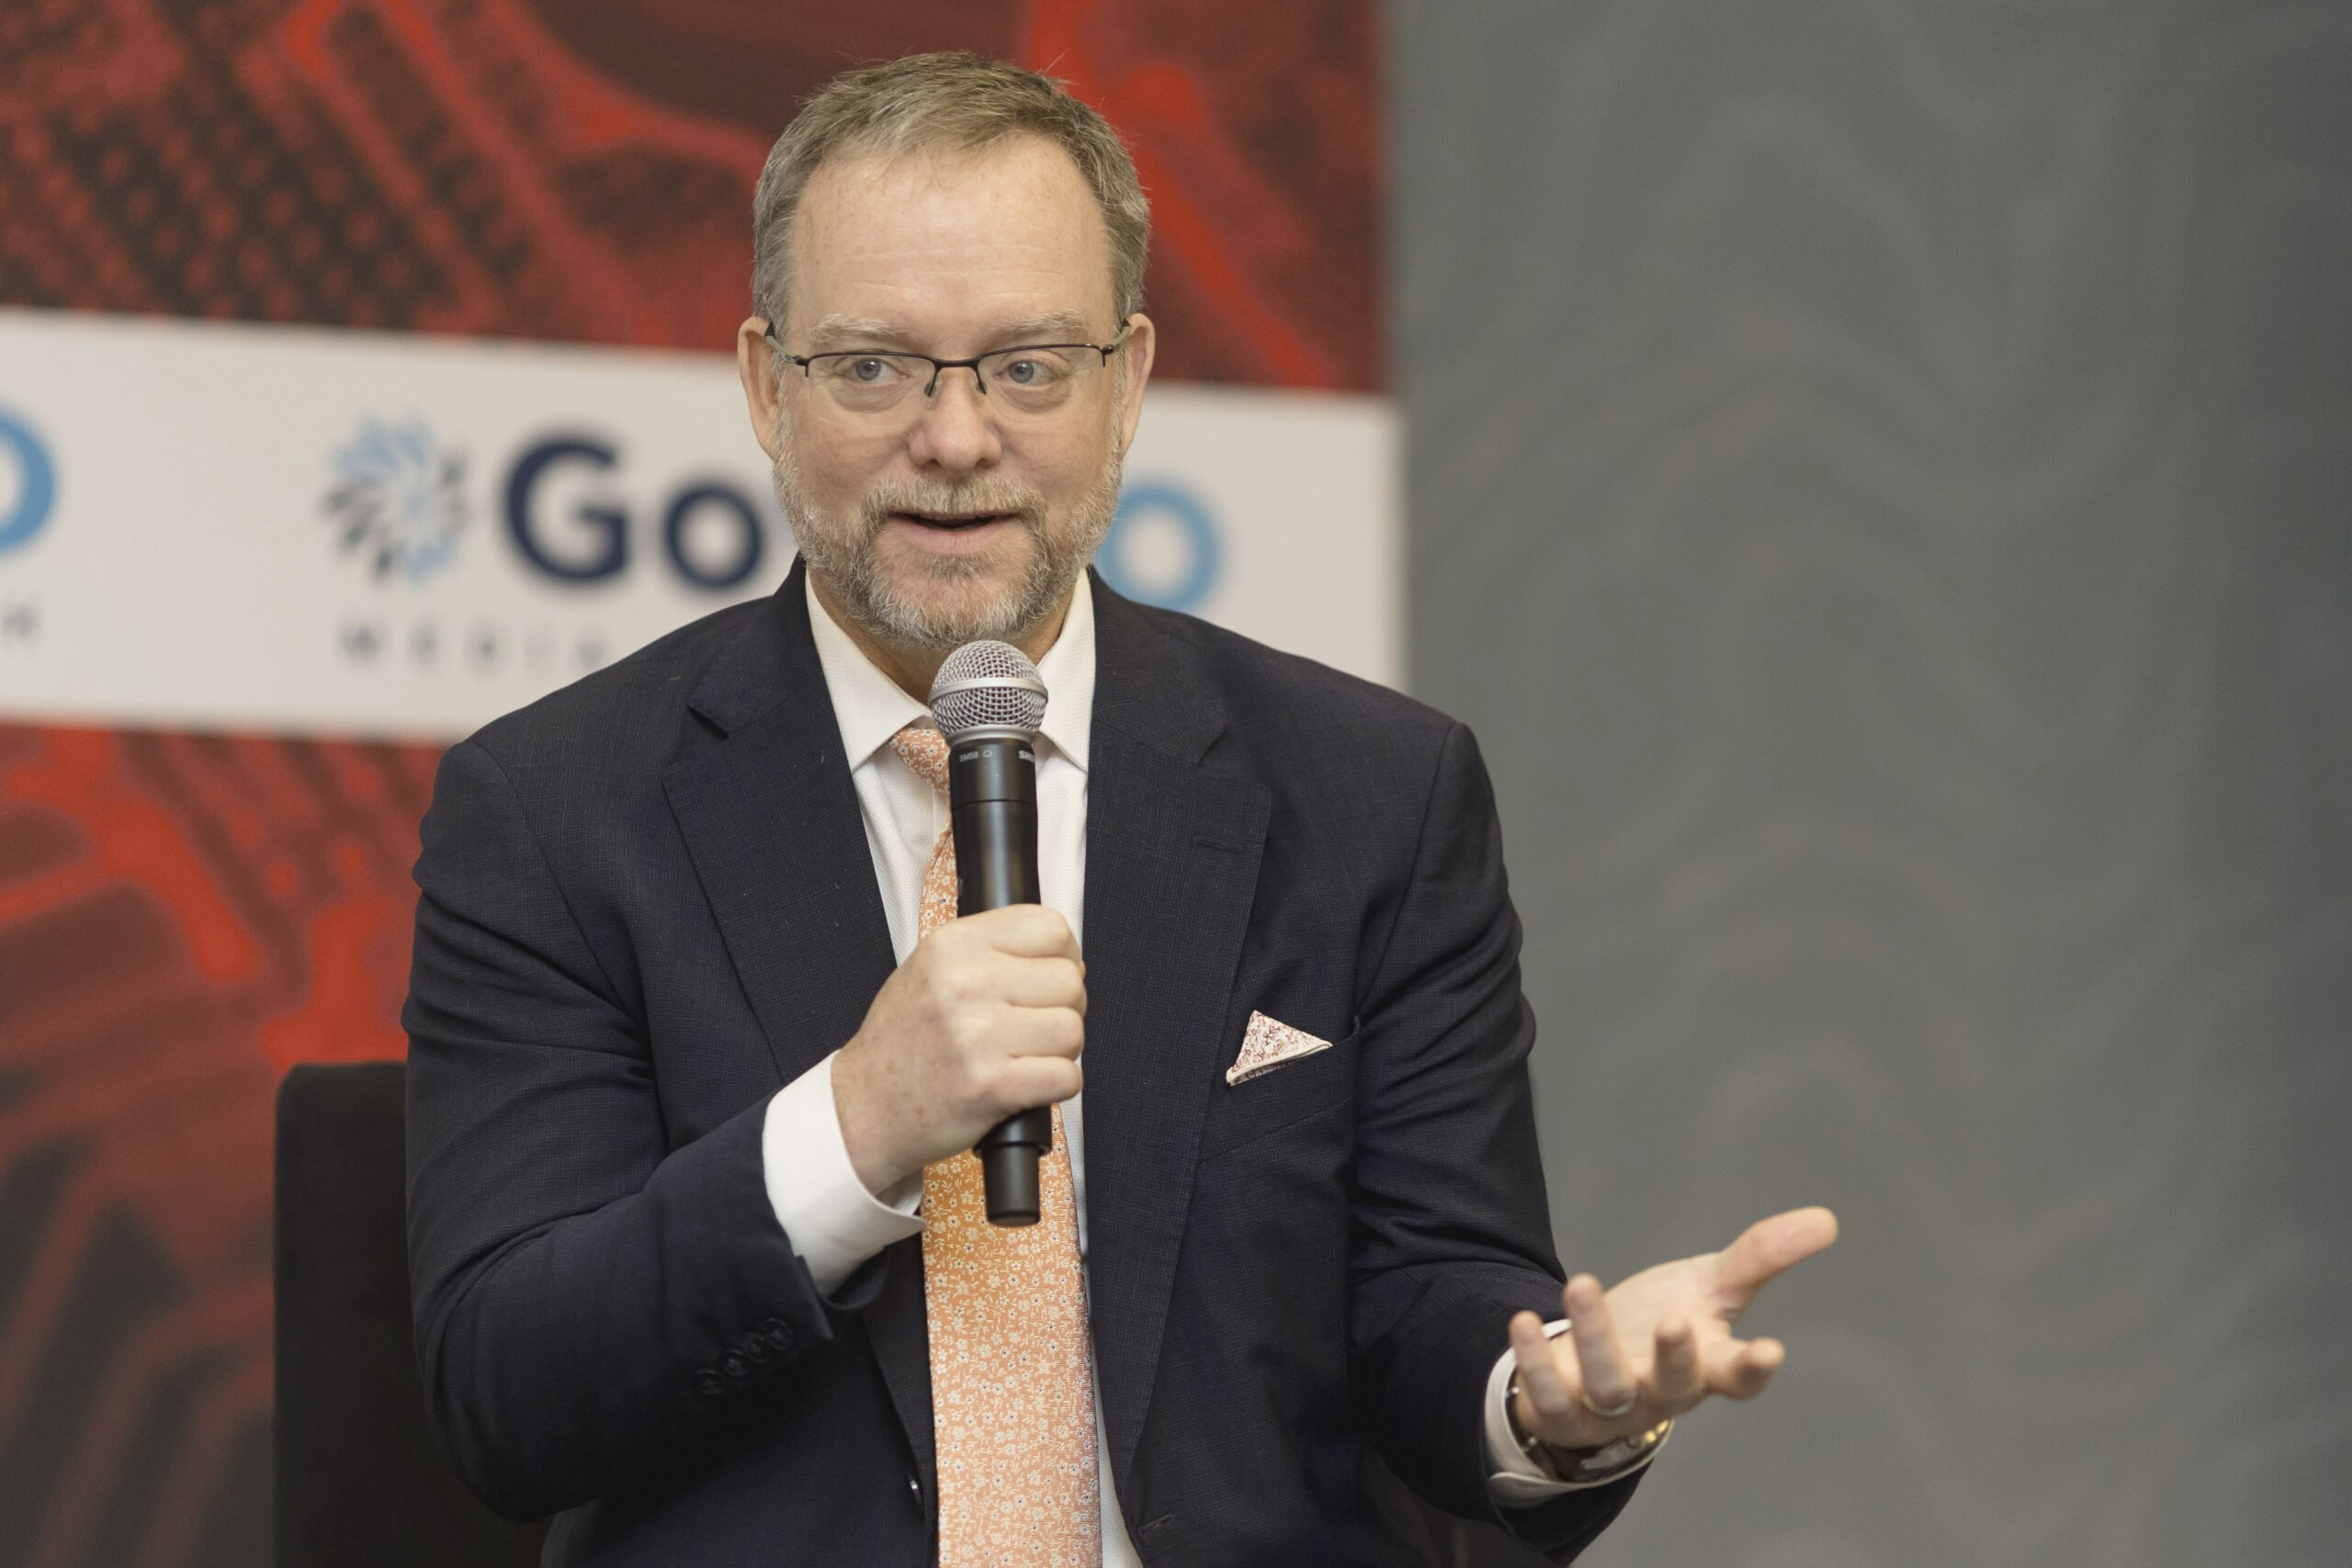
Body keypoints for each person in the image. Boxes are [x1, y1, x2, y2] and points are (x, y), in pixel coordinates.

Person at [402, 51, 1838, 1567]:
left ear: (1129, 384)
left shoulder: (1374, 793)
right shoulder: (556, 810)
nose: (957, 439)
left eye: (1028, 367)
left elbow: (1436, 1301)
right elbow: (506, 1392)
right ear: (768, 386)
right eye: (875, 367)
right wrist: (856, 1127)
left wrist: (1548, 1410)